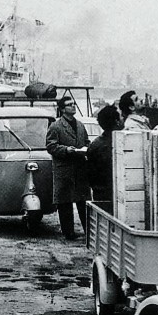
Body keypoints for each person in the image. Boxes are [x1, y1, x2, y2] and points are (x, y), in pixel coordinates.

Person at [46, 95, 90, 240]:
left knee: (83, 201)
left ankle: (89, 231)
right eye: (70, 104)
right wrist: (66, 150)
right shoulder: (55, 126)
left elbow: (87, 141)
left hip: (80, 168)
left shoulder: (80, 125)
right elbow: (51, 146)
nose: (73, 106)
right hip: (64, 169)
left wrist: (86, 148)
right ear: (62, 109)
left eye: (74, 104)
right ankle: (68, 233)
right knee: (64, 203)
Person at [86, 105, 121, 214]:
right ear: (117, 121)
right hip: (114, 192)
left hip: (99, 192)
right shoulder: (119, 143)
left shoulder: (95, 144)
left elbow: (90, 172)